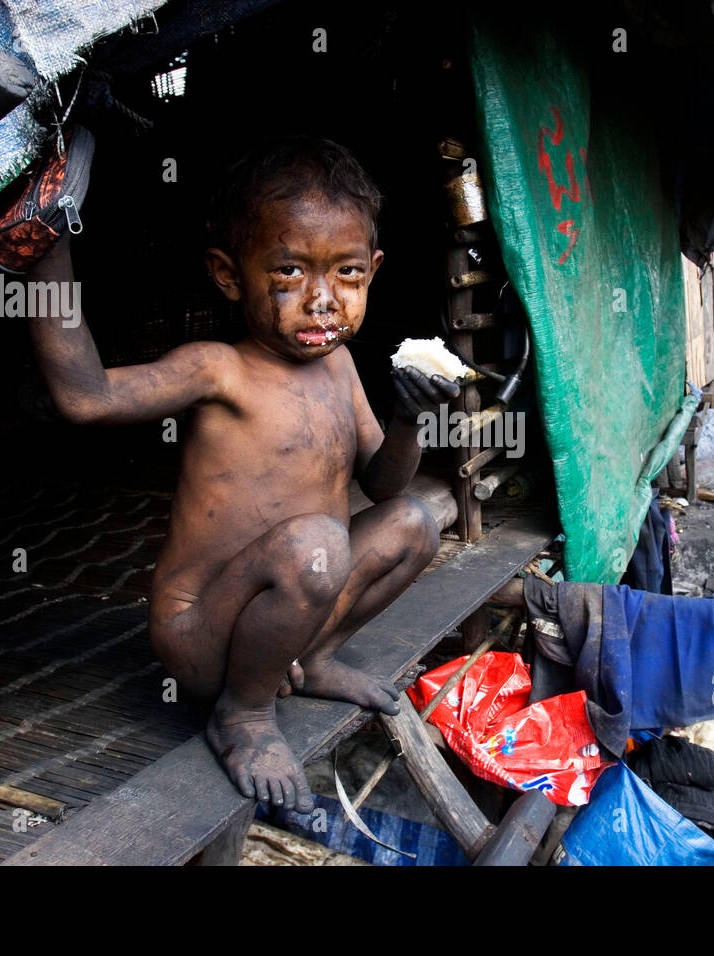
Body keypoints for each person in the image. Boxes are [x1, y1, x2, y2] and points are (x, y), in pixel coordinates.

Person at [26, 136, 458, 811]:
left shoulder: (341, 367)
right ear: (229, 276)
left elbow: (386, 486)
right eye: (289, 272)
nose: (322, 300)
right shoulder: (217, 368)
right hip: (201, 633)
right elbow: (85, 398)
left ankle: (309, 660)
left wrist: (409, 417)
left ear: (373, 269)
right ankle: (244, 715)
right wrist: (46, 251)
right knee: (317, 545)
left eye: (347, 274)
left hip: (291, 608)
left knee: (416, 523)